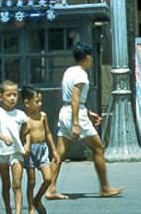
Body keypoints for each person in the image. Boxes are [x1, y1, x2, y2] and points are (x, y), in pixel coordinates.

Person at [46, 43, 121, 200]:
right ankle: (105, 187)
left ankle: (51, 188)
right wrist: (76, 123)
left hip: (66, 112)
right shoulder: (81, 74)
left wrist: (88, 113)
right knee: (99, 148)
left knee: (59, 153)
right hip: (76, 115)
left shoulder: (69, 71)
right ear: (87, 57)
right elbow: (75, 97)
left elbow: (71, 99)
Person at [0, 80, 27, 214]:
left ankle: (18, 212)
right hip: (1, 151)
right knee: (6, 184)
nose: (12, 98)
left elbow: (28, 131)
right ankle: (8, 209)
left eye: (15, 95)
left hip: (16, 151)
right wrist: (4, 138)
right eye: (8, 95)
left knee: (17, 184)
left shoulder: (20, 114)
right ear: (1, 97)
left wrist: (27, 145)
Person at [21, 86, 60, 214]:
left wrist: (54, 150)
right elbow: (21, 135)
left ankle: (37, 199)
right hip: (30, 151)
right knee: (31, 181)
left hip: (43, 149)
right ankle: (31, 206)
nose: (40, 104)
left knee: (48, 178)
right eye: (37, 101)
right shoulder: (24, 118)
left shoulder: (43, 116)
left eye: (41, 101)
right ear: (27, 103)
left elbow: (48, 133)